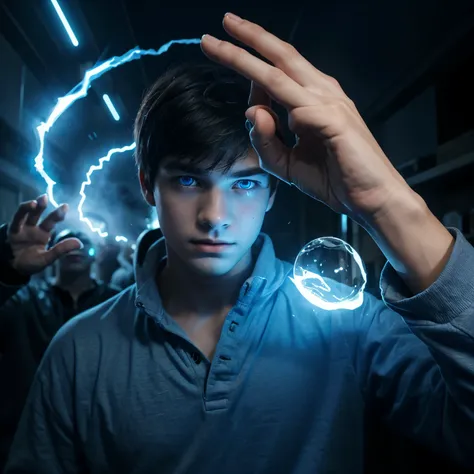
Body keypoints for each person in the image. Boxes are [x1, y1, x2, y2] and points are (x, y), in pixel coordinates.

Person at [5, 14, 474, 473]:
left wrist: (388, 204)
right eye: (188, 180)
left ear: (272, 190)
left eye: (245, 184)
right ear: (149, 186)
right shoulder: (79, 349)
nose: (215, 217)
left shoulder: (352, 326)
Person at [0, 200, 119, 471]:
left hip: (101, 447)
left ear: (95, 255)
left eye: (82, 243)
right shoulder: (23, 299)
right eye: (66, 242)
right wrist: (7, 270)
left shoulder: (116, 303)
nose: (74, 246)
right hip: (23, 438)